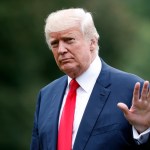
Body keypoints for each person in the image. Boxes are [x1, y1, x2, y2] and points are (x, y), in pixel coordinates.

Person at [30, 8, 150, 150]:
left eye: (69, 40)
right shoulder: (46, 95)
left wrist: (144, 130)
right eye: (55, 43)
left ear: (92, 42)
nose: (61, 50)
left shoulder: (133, 90)